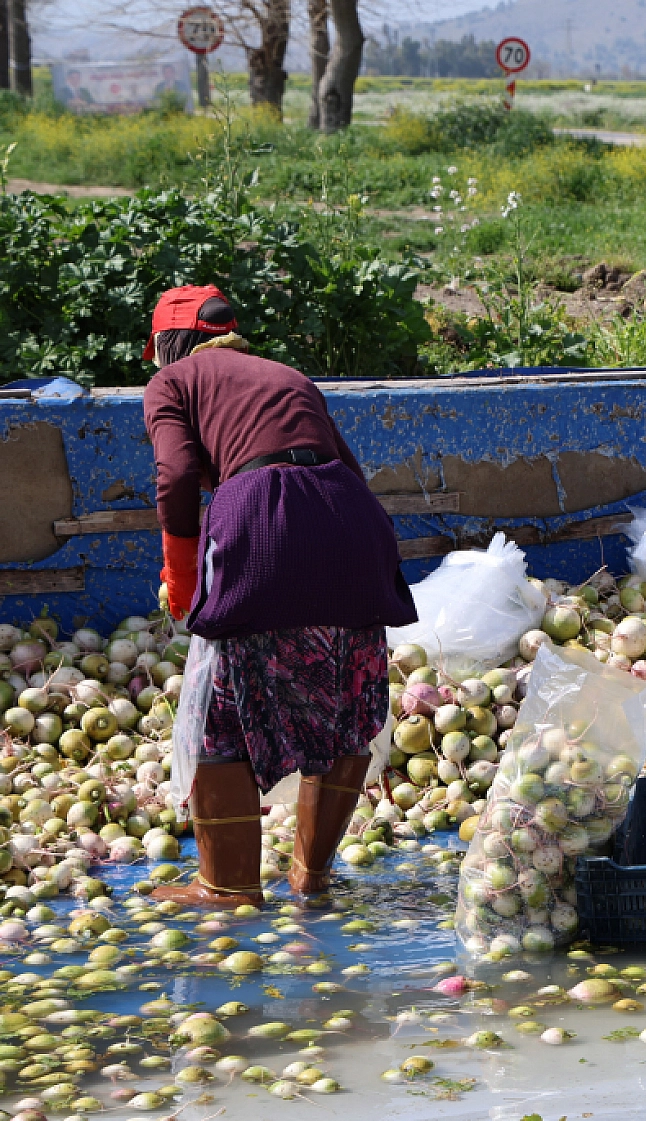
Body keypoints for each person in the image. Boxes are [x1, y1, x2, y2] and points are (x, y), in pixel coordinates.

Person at [142, 285, 417, 907]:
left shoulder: (173, 381)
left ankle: (228, 889)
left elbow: (178, 475)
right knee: (346, 699)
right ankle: (311, 880)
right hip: (352, 522)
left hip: (261, 523)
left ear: (164, 344)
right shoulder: (285, 375)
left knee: (224, 716)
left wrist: (181, 580)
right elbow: (343, 463)